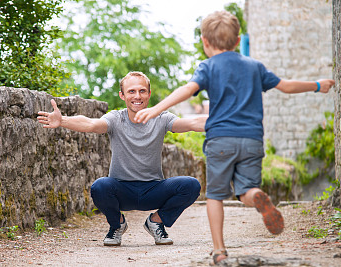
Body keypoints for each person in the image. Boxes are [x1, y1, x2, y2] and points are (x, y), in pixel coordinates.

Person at [134, 11, 335, 264]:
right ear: (238, 40)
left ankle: (219, 249)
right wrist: (317, 84)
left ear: (205, 41)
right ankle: (256, 198)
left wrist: (156, 109)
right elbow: (285, 85)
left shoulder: (207, 67)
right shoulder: (255, 66)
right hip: (252, 140)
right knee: (246, 190)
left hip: (220, 141)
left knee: (216, 196)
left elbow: (188, 90)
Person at [37, 71, 206, 247]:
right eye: (131, 91)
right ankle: (117, 225)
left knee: (191, 185)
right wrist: (63, 120)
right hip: (122, 190)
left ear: (149, 93)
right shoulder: (116, 118)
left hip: (153, 189)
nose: (137, 96)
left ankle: (156, 222)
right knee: (100, 187)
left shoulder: (161, 118)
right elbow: (91, 124)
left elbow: (192, 124)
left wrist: (223, 121)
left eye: (142, 91)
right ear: (122, 95)